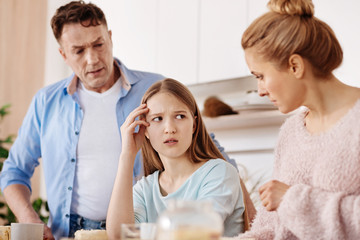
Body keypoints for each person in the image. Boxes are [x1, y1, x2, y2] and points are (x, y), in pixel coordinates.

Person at [0, 1, 236, 240]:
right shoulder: (46, 102)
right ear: (63, 54)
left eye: (98, 44)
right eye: (79, 51)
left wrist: (254, 220)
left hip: (137, 230)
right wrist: (30, 220)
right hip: (69, 233)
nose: (92, 59)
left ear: (110, 38)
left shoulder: (153, 89)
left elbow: (208, 148)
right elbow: (14, 172)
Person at [236, 0, 360, 239]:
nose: (259, 90)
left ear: (294, 66)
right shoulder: (291, 132)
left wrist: (292, 199)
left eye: (260, 76)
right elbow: (270, 228)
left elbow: (286, 200)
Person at [106, 78, 245, 239]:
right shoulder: (145, 189)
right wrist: (127, 156)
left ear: (194, 125)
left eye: (179, 116)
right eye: (157, 119)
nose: (170, 129)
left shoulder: (220, 172)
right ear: (145, 131)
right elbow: (118, 236)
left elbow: (195, 234)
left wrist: (143, 234)